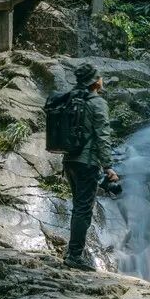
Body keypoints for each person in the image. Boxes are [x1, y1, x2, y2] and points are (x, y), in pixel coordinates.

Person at [63, 61, 119, 271]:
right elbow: (102, 136)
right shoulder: (97, 103)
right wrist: (108, 166)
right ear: (95, 82)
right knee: (83, 209)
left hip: (69, 160)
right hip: (87, 163)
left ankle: (72, 252)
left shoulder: (70, 100)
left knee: (78, 207)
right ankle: (74, 255)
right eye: (99, 77)